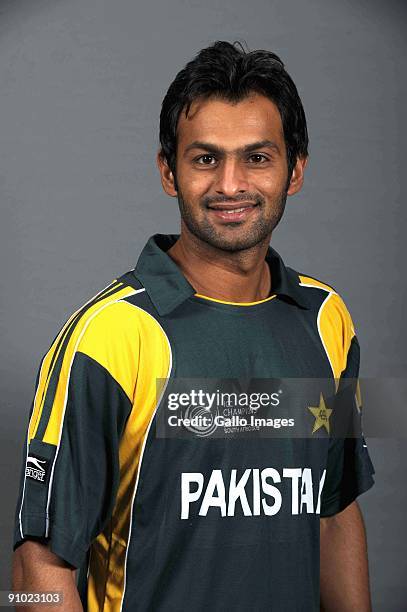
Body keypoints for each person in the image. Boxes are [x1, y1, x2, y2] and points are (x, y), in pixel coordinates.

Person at [12, 40, 375, 611]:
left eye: (257, 157)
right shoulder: (106, 336)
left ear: (296, 169)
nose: (230, 185)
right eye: (206, 158)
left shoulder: (330, 319)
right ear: (168, 171)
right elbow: (38, 564)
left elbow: (335, 512)